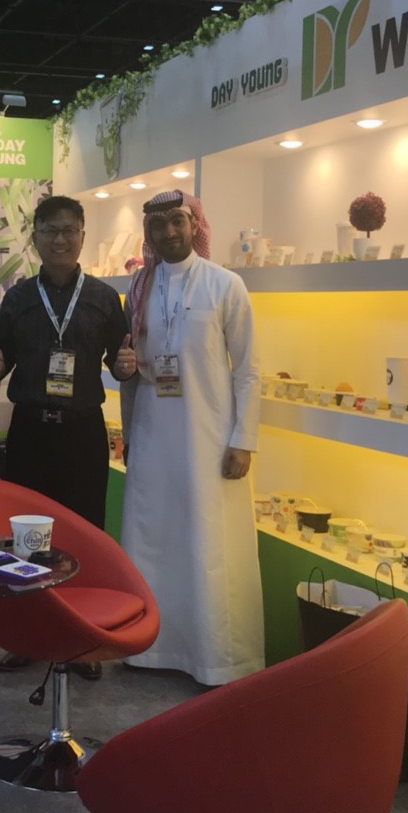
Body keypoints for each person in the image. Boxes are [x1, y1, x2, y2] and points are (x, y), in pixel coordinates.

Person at [0, 194, 137, 678]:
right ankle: (29, 635)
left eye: (69, 230)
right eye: (50, 231)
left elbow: (120, 361)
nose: (60, 240)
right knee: (26, 536)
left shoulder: (105, 299)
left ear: (83, 236)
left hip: (83, 432)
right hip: (30, 430)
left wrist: (125, 367)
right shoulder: (19, 297)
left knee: (85, 535)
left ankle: (82, 640)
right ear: (36, 239)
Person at [119, 190, 263, 686]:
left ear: (195, 224)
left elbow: (248, 371)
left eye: (178, 221)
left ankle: (216, 659)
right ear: (149, 233)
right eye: (158, 225)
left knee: (208, 544)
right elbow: (132, 369)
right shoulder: (139, 288)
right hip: (152, 437)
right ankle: (151, 649)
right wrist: (129, 434)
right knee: (154, 540)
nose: (169, 232)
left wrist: (243, 440)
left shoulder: (226, 285)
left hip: (210, 440)